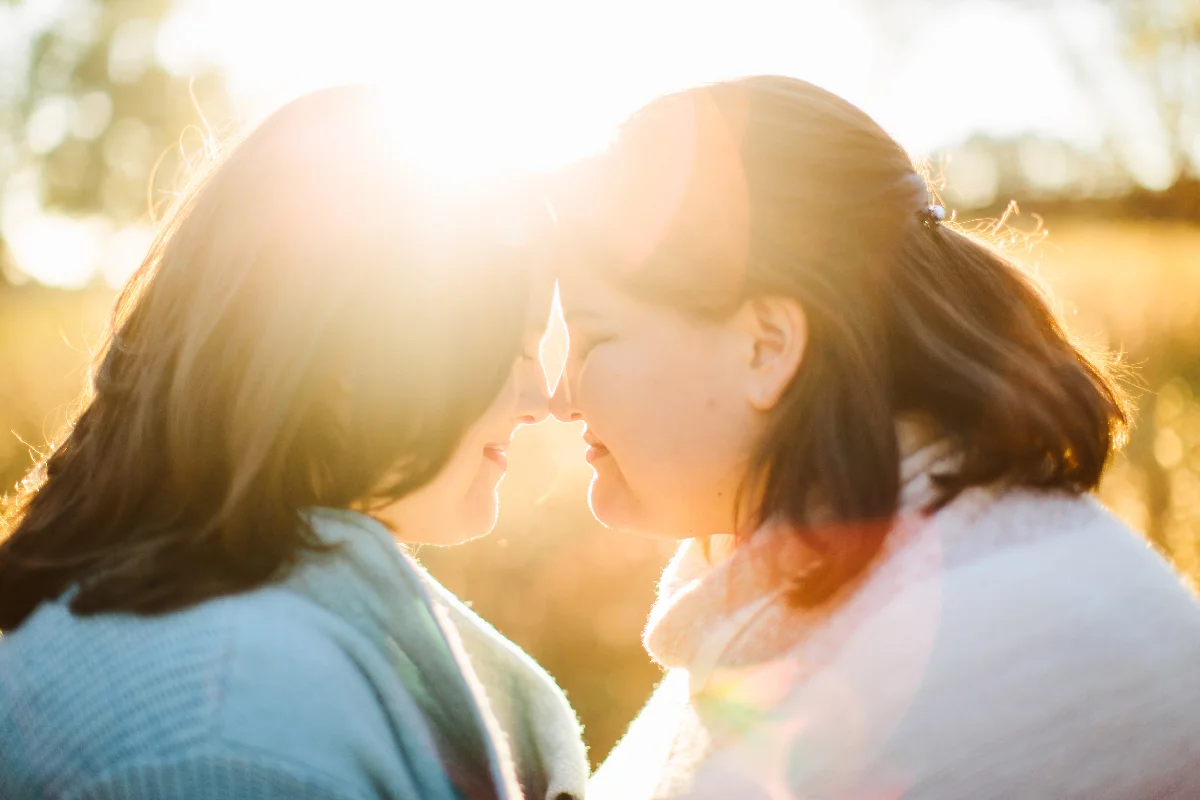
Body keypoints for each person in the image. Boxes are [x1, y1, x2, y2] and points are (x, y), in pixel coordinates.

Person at [550, 75, 1200, 799]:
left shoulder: (1004, 657)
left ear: (765, 347)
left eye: (594, 340)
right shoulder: (800, 589)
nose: (560, 395)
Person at [0, 85, 587, 800]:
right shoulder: (226, 736)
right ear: (354, 356)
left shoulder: (243, 650)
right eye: (517, 350)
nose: (543, 400)